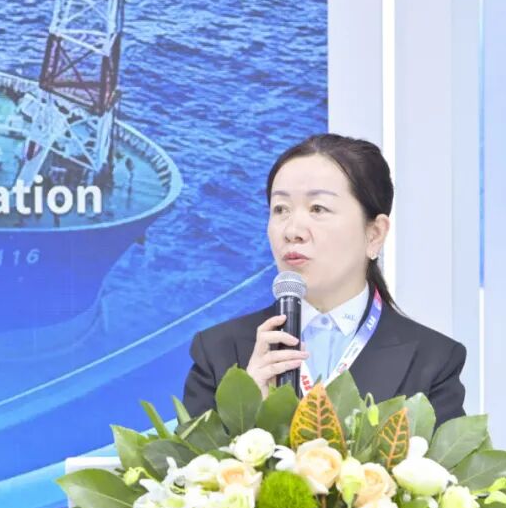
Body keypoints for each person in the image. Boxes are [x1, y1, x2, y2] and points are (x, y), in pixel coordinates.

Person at [182, 133, 467, 423]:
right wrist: (245, 410)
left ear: (374, 234)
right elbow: (189, 453)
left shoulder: (432, 360)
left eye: (318, 209)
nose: (292, 231)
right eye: (280, 209)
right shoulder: (219, 353)